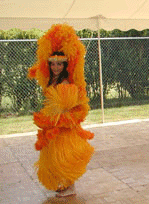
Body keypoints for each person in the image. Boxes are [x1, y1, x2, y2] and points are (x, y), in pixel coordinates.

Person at [28, 24, 94, 197]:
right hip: (54, 125)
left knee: (65, 157)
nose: (56, 67)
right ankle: (64, 184)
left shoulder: (65, 82)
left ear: (65, 65)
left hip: (63, 126)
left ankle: (70, 186)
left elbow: (69, 106)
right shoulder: (52, 81)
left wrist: (58, 119)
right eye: (53, 64)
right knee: (56, 157)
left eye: (59, 64)